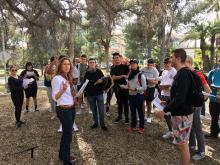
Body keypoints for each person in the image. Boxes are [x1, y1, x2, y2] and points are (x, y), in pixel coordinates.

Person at [155, 49, 194, 165]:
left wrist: (164, 111)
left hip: (183, 115)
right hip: (179, 114)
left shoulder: (183, 74)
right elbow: (178, 96)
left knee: (182, 145)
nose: (170, 60)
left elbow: (180, 98)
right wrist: (167, 104)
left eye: (172, 57)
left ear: (178, 58)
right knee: (179, 143)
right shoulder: (181, 73)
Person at [185, 55, 211, 160]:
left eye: (184, 63)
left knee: (197, 128)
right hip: (188, 105)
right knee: (189, 126)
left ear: (190, 63)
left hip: (196, 106)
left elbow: (208, 90)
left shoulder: (198, 74)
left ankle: (201, 151)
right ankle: (192, 145)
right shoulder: (186, 74)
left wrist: (200, 102)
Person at [52, 57, 76, 164]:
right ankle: (66, 161)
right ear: (60, 66)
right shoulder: (57, 78)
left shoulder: (67, 77)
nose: (67, 66)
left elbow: (69, 94)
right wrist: (63, 89)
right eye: (64, 64)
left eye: (68, 64)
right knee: (68, 135)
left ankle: (62, 155)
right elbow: (55, 97)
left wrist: (77, 95)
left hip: (71, 108)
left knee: (67, 133)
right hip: (64, 110)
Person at [84, 58, 107, 131]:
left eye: (93, 62)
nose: (92, 64)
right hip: (90, 95)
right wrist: (85, 95)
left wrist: (101, 81)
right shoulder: (87, 73)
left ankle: (102, 124)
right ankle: (96, 123)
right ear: (88, 64)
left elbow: (105, 81)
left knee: (101, 110)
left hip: (99, 94)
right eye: (90, 62)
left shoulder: (99, 71)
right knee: (94, 110)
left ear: (95, 63)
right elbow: (85, 84)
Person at [127, 60, 147, 134]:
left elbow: (145, 87)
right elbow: (129, 84)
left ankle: (141, 127)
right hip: (131, 95)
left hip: (139, 96)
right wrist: (125, 86)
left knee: (140, 112)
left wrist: (135, 89)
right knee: (132, 112)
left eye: (134, 64)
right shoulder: (130, 74)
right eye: (131, 64)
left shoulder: (141, 75)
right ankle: (133, 125)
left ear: (137, 65)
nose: (132, 65)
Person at [158, 58, 176, 139]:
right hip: (164, 95)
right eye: (165, 63)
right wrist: (156, 80)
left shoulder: (174, 71)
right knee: (166, 114)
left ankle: (175, 133)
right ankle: (170, 131)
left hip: (171, 96)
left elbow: (174, 86)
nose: (166, 65)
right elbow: (162, 78)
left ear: (171, 63)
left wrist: (164, 87)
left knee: (172, 115)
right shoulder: (164, 71)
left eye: (168, 63)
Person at [110, 52, 130, 124]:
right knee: (119, 102)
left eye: (117, 58)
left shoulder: (125, 67)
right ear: (113, 59)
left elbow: (128, 76)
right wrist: (122, 76)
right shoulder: (113, 68)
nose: (116, 59)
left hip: (125, 88)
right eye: (115, 58)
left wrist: (125, 76)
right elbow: (113, 77)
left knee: (126, 103)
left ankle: (127, 117)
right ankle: (120, 116)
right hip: (117, 88)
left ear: (120, 58)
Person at [205, 57, 220, 138]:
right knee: (214, 117)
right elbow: (208, 84)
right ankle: (214, 133)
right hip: (214, 99)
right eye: (219, 60)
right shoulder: (212, 72)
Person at [141, 58, 159, 123]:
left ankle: (148, 116)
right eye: (148, 64)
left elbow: (156, 82)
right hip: (144, 88)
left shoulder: (155, 71)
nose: (149, 66)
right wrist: (149, 80)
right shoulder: (143, 69)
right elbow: (140, 77)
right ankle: (142, 116)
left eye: (151, 65)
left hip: (151, 88)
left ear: (153, 65)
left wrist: (147, 79)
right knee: (142, 103)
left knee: (149, 103)